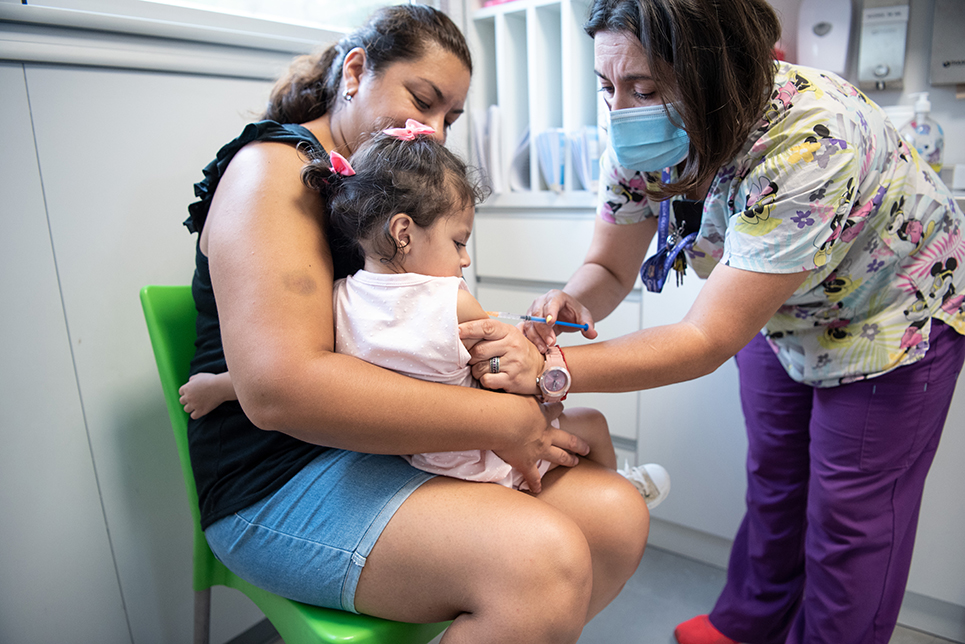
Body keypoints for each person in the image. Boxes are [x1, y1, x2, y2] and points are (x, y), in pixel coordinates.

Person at [458, 0, 965, 643]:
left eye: (644, 87)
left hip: (888, 310)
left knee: (852, 518)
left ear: (720, 72)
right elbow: (609, 269)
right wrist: (575, 303)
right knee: (775, 480)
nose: (621, 107)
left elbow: (704, 338)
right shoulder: (640, 133)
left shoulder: (809, 137)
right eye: (608, 86)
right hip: (779, 309)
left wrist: (550, 369)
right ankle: (749, 624)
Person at [180, 5, 650, 642]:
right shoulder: (273, 171)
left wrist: (511, 353)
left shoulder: (399, 192)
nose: (431, 130)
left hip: (383, 445)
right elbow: (278, 388)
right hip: (279, 476)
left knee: (616, 515)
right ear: (355, 72)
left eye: (448, 118)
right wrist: (505, 419)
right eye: (421, 100)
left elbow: (428, 336)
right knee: (538, 560)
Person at [181, 121, 671, 496]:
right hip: (490, 455)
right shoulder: (451, 299)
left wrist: (215, 387)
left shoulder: (337, 298)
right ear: (403, 232)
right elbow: (498, 375)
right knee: (593, 424)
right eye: (458, 241)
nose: (466, 257)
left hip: (425, 463)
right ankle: (620, 486)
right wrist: (532, 350)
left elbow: (258, 375)